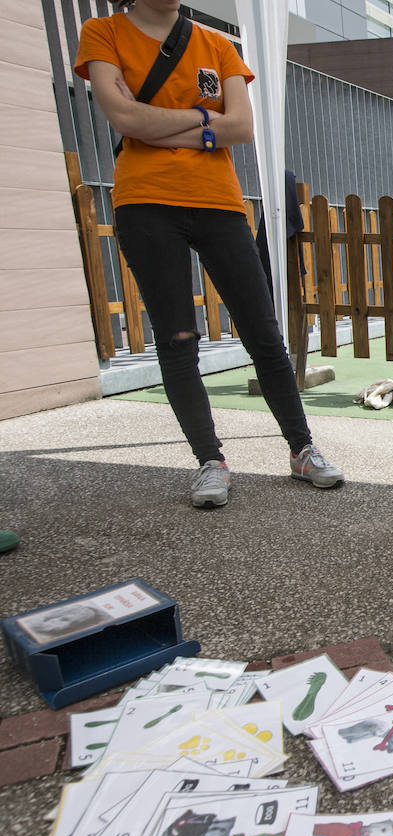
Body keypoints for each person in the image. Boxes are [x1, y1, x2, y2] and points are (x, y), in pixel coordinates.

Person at [74, 0, 343, 510]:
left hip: (219, 202)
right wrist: (204, 122)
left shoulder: (216, 44)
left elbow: (242, 126)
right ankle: (210, 460)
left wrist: (159, 126)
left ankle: (302, 449)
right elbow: (122, 116)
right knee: (177, 339)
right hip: (145, 202)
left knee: (264, 333)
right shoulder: (102, 31)